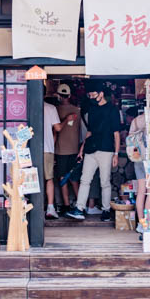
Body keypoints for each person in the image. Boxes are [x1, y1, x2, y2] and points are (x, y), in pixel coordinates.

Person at [66, 83, 120, 221]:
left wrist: (116, 153)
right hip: (91, 149)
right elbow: (89, 131)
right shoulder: (92, 109)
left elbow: (116, 133)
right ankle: (79, 208)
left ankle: (106, 210)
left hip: (106, 149)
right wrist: (82, 148)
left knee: (105, 182)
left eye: (93, 94)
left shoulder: (113, 110)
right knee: (85, 180)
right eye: (89, 95)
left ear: (101, 94)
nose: (91, 97)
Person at [53, 83, 82, 214]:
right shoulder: (77, 110)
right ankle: (80, 204)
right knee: (74, 178)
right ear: (70, 95)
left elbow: (55, 129)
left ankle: (65, 205)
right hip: (74, 148)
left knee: (62, 178)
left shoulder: (55, 110)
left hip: (60, 150)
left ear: (58, 95)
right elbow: (81, 131)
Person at [127, 107, 150, 232]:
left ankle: (141, 223)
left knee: (141, 190)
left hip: (138, 158)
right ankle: (148, 223)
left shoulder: (136, 121)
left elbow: (130, 140)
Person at [43, 99, 62, 219]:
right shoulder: (50, 108)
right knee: (48, 178)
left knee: (31, 177)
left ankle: (32, 207)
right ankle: (50, 207)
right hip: (47, 148)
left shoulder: (26, 103)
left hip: (28, 148)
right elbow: (58, 128)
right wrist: (67, 120)